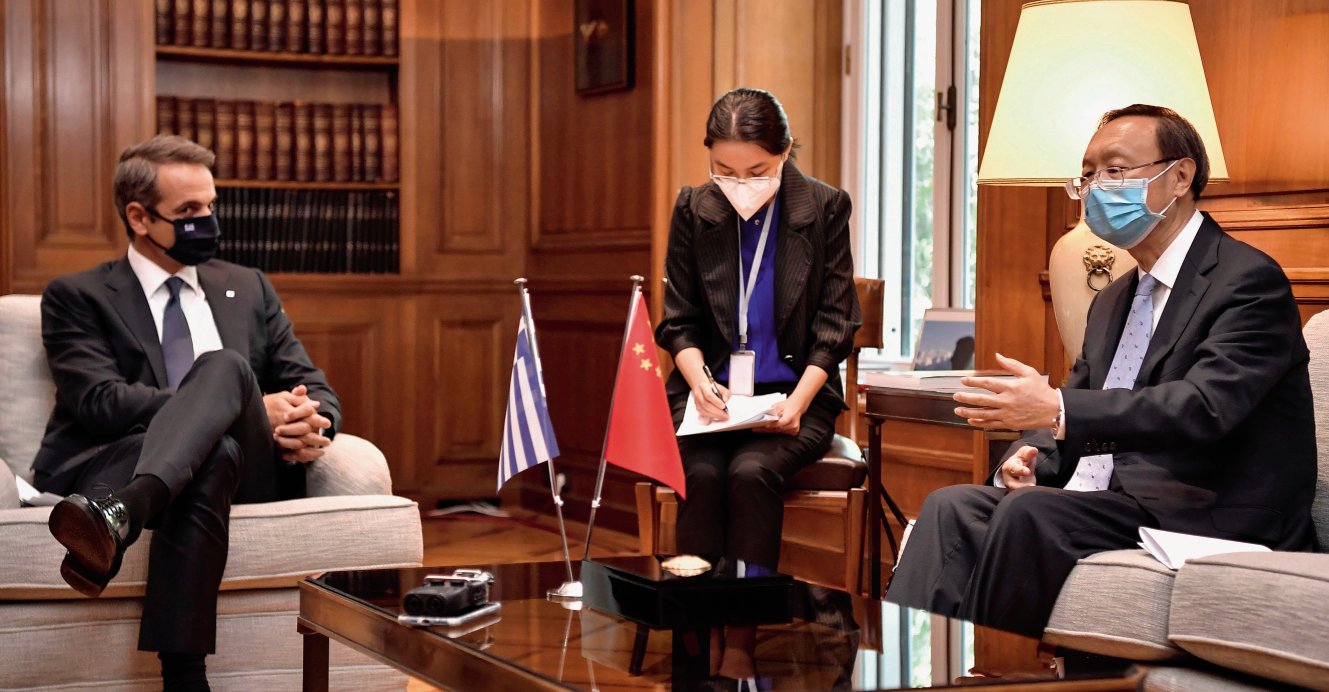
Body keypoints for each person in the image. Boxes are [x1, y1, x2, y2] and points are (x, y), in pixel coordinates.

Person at [886, 104, 1317, 639]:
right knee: (952, 505)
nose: (1095, 188)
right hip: (1124, 502)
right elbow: (1080, 404)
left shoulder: (1247, 280)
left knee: (1031, 517)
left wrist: (1056, 410)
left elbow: (1205, 407)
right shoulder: (1115, 297)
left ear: (1179, 176)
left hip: (1215, 510)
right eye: (1087, 175)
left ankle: (1002, 677)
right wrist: (1033, 457)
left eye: (1114, 171)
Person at [34, 135, 340, 691]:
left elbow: (312, 385)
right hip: (124, 454)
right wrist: (232, 410)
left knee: (224, 369)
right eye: (189, 211)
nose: (208, 220)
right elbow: (98, 402)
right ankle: (185, 678)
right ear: (139, 216)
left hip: (251, 473)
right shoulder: (78, 295)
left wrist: (310, 420)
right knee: (214, 441)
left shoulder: (246, 287)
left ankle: (126, 510)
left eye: (211, 206)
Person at [655, 87, 860, 678]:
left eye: (757, 171)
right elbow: (679, 317)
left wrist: (797, 403)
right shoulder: (695, 207)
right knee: (701, 473)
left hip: (794, 394)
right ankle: (694, 641)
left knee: (750, 472)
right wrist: (697, 381)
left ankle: (740, 634)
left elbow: (835, 323)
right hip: (709, 396)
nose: (739, 183)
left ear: (785, 153)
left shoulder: (822, 207)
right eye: (724, 170)